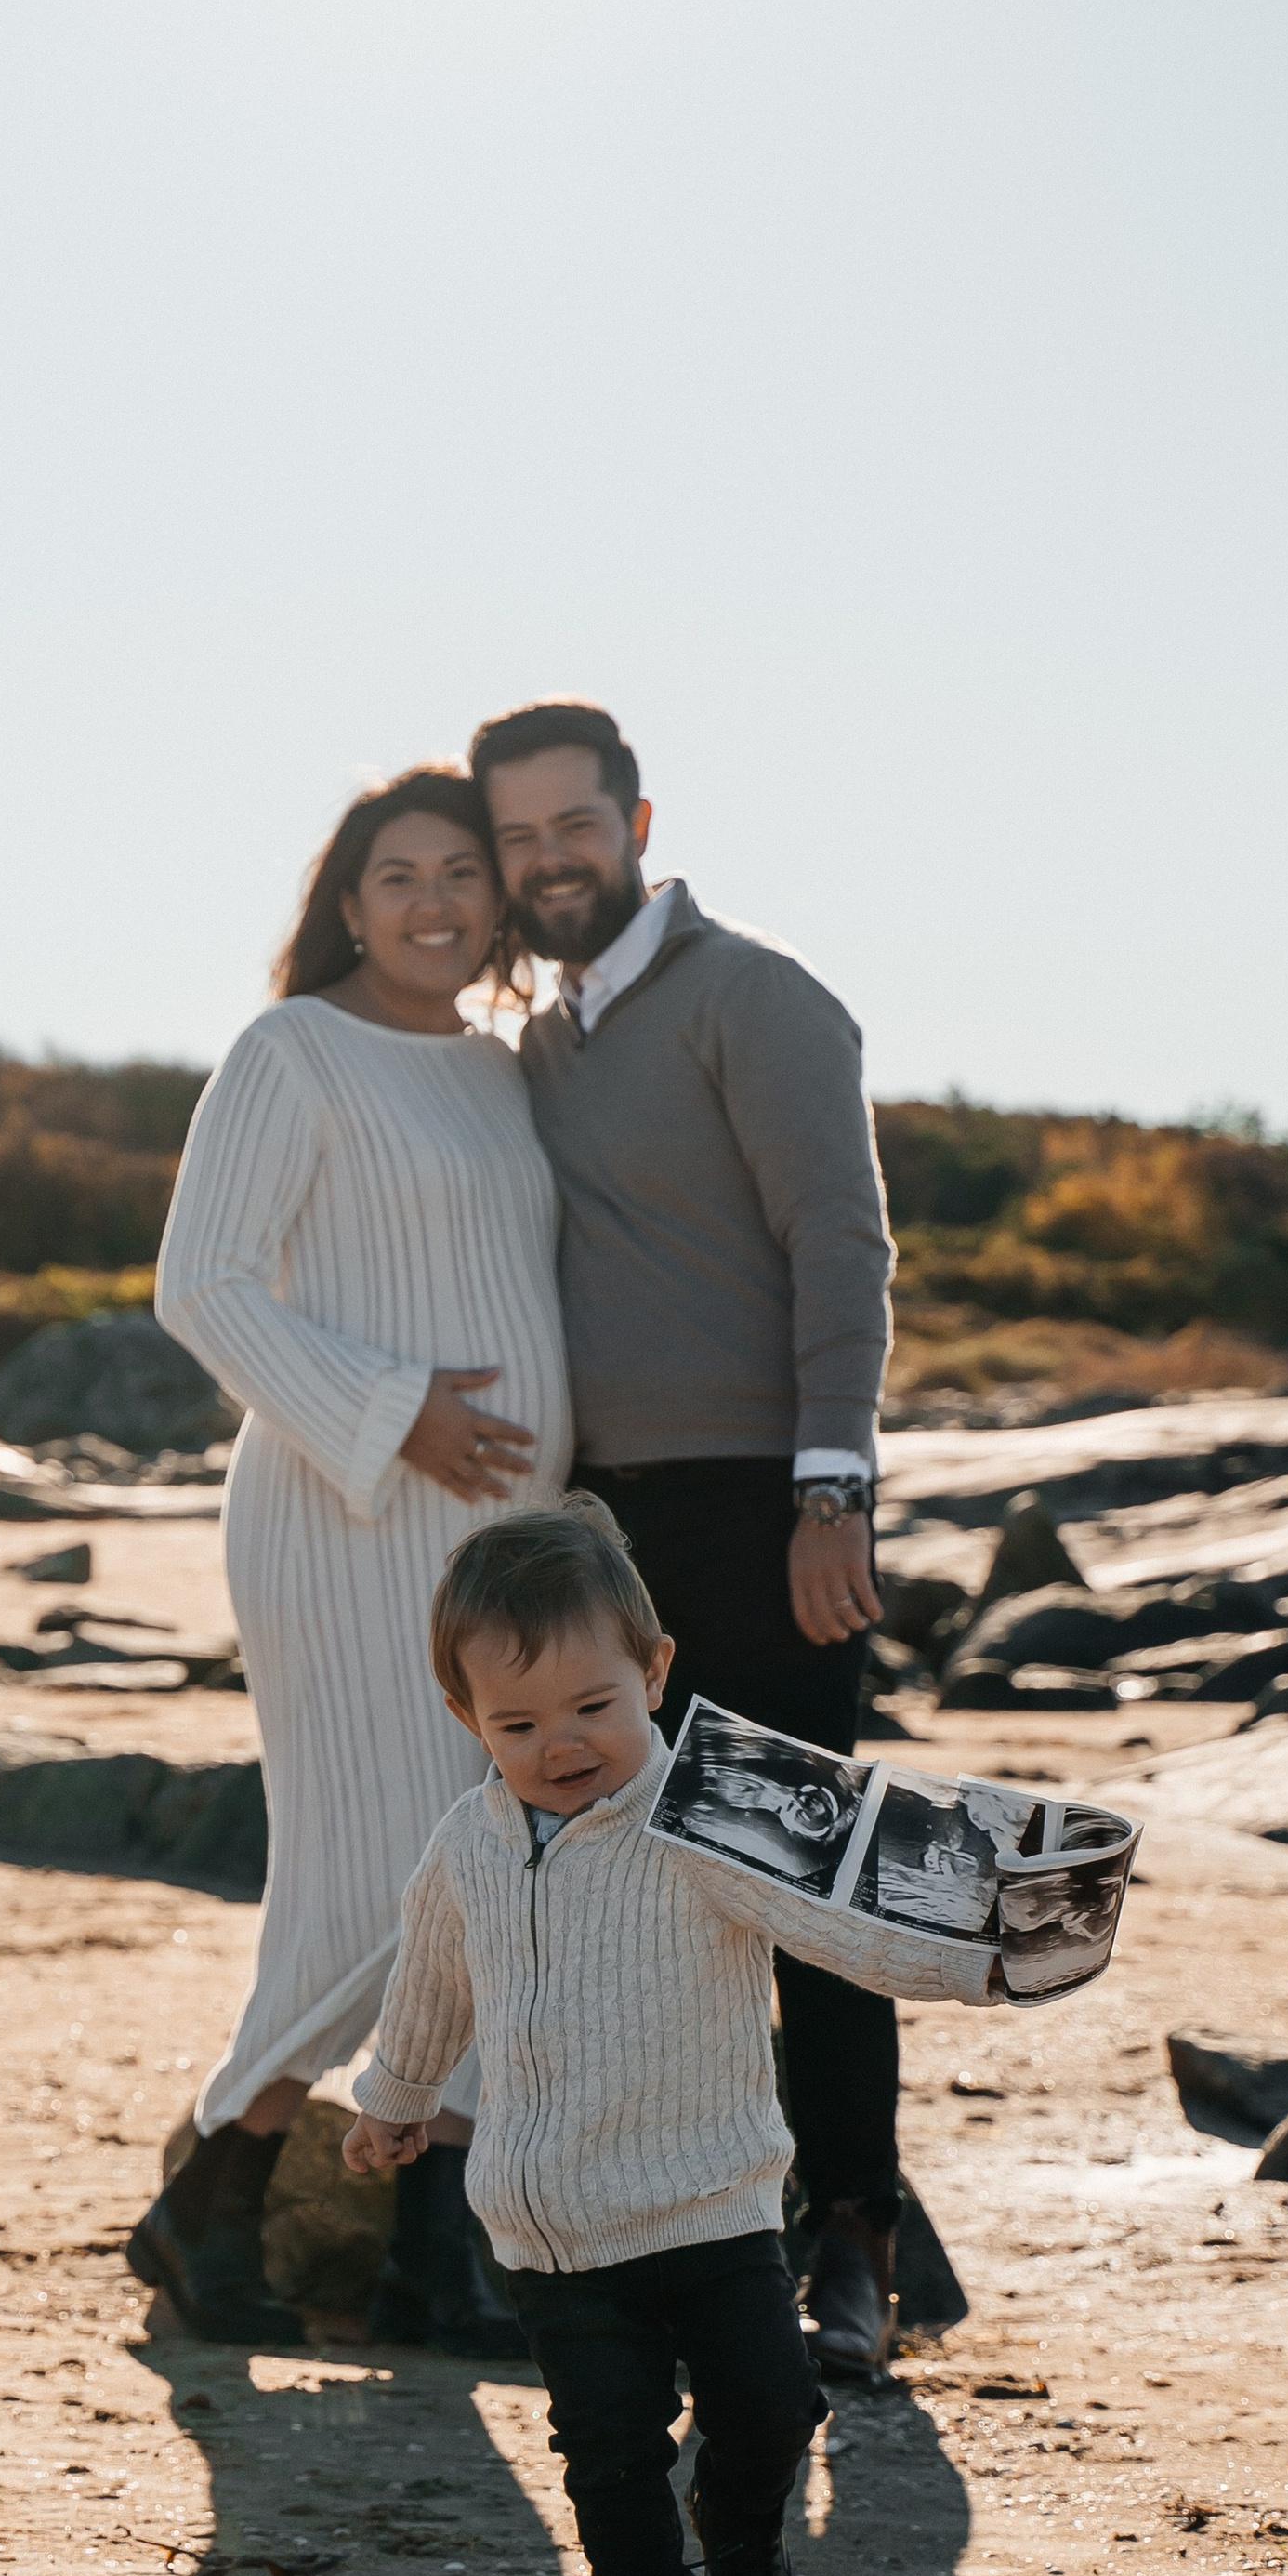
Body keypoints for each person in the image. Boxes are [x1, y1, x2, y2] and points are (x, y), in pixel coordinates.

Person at [342, 1499, 1002, 2576]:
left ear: (655, 1672)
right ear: (466, 1721)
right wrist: (394, 2103)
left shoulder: (714, 1810)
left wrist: (980, 1942)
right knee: (607, 2458)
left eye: (594, 1707)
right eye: (519, 1724)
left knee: (771, 2403)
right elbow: (429, 1985)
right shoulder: (465, 1847)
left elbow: (851, 1914)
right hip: (553, 2226)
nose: (563, 1745)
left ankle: (746, 2540)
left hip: (712, 2201)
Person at [467, 693, 913, 2375]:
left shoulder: (758, 996)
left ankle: (858, 2245)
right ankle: (677, 2241)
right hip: (601, 1529)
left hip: (760, 1508)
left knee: (806, 1882)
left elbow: (841, 1245)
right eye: (517, 840)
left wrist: (832, 1490)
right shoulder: (542, 1046)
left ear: (638, 828)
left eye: (572, 827)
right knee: (627, 1891)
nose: (546, 861)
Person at [133, 765, 573, 2353]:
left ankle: (430, 2255)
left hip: (505, 1538)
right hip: (346, 1516)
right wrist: (394, 1420)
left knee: (487, 1864)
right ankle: (218, 2188)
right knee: (373, 1874)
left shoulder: (503, 1067)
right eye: (399, 875)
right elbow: (206, 1285)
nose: (436, 901)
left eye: (464, 872)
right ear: (345, 898)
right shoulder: (291, 1051)